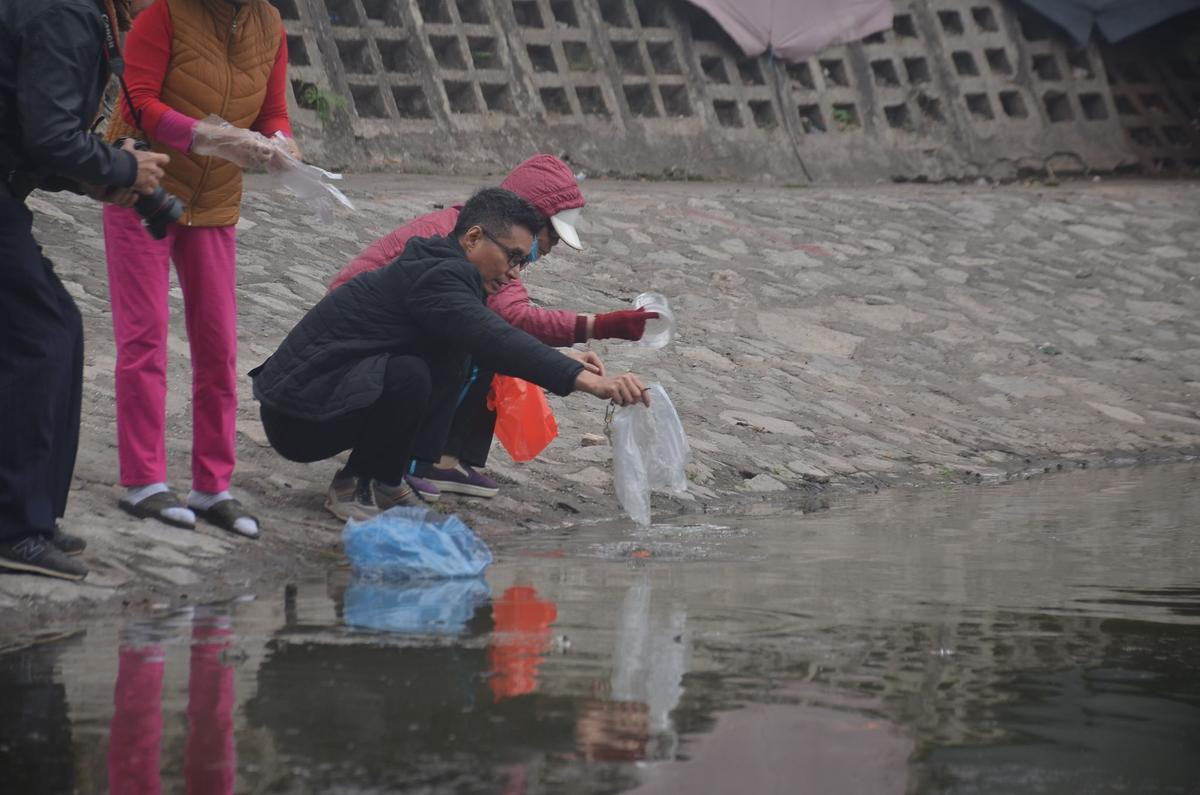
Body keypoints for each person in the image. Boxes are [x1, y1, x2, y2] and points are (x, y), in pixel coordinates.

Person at [252, 188, 651, 520]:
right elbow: (491, 334)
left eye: (522, 263)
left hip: (321, 403)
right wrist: (591, 382)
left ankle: (389, 481)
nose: (515, 272)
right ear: (473, 238)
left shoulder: (450, 269)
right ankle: (353, 484)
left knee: (458, 357)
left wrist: (571, 362)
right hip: (297, 418)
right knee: (410, 375)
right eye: (513, 257)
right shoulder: (438, 275)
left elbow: (490, 338)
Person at [329, 154, 657, 502]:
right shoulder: (477, 243)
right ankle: (408, 464)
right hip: (355, 348)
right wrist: (602, 326)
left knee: (481, 347)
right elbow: (509, 320)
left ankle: (441, 458)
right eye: (551, 235)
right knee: (467, 352)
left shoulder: (485, 238)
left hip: (377, 335)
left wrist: (570, 352)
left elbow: (499, 323)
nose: (552, 246)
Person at [102, 0, 300, 539]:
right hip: (143, 188)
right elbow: (140, 104)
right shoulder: (162, 15)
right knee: (143, 339)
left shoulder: (269, 24)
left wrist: (280, 142)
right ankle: (144, 482)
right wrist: (209, 137)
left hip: (215, 202)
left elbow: (272, 112)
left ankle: (212, 487)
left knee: (219, 346)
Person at [0, 0, 170, 580]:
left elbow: (28, 134)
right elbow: (50, 135)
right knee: (45, 336)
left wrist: (93, 179)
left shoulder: (80, 14)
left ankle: (34, 517)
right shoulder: (65, 14)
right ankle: (16, 529)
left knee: (59, 330)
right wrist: (121, 170)